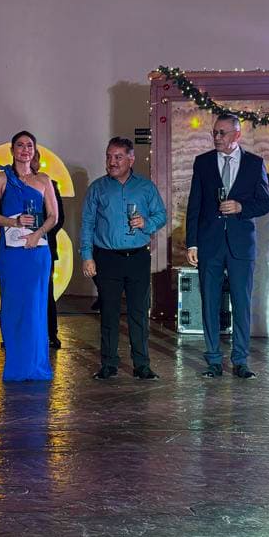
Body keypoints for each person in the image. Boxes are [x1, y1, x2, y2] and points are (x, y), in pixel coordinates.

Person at [185, 112, 269, 379]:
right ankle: (213, 360)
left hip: (241, 244)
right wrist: (192, 243)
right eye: (214, 132)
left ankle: (240, 360)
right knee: (209, 302)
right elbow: (194, 204)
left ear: (237, 135)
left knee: (241, 303)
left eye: (222, 133)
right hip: (209, 243)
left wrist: (241, 207)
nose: (217, 137)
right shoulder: (203, 162)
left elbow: (265, 203)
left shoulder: (254, 163)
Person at [80, 136, 167, 381]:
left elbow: (161, 215)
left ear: (131, 159)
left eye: (118, 157)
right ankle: (109, 364)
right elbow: (87, 224)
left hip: (138, 258)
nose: (112, 162)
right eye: (109, 156)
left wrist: (146, 223)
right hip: (107, 258)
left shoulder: (146, 187)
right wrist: (87, 256)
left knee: (138, 313)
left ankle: (142, 365)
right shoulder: (97, 188)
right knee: (109, 313)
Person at [0, 131, 58, 382]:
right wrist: (14, 222)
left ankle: (36, 365)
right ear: (12, 150)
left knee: (36, 308)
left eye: (29, 145)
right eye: (20, 145)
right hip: (12, 253)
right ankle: (16, 365)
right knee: (13, 306)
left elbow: (53, 216)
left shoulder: (44, 180)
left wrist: (38, 234)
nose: (25, 149)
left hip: (37, 252)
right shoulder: (1, 178)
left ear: (34, 150)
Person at [31, 147, 65, 348]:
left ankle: (51, 333)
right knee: (19, 293)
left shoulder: (50, 184)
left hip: (45, 248)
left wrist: (40, 234)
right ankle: (17, 334)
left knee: (46, 291)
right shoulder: (10, 183)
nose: (31, 162)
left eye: (34, 159)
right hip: (18, 248)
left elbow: (59, 219)